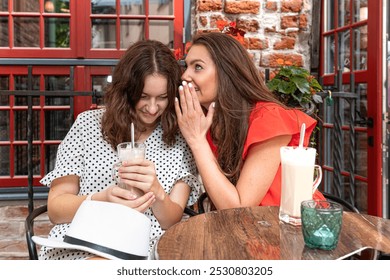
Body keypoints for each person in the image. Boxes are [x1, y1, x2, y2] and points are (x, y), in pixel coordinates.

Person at [39, 40, 201, 260]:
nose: (153, 108)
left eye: (161, 98)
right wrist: (102, 198)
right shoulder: (87, 125)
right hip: (85, 241)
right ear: (126, 91)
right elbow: (56, 210)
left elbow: (170, 220)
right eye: (143, 96)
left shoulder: (179, 137)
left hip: (146, 244)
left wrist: (157, 191)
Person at [174, 32, 324, 210]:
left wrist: (197, 141)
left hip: (294, 225)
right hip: (248, 229)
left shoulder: (269, 118)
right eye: (186, 66)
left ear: (227, 73)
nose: (185, 76)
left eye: (197, 67)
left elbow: (239, 208)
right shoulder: (208, 122)